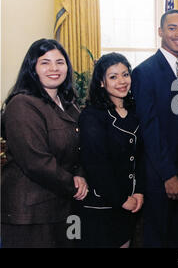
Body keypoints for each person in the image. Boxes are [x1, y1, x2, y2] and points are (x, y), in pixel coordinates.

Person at [0, 38, 88, 248]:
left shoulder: (70, 105)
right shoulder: (21, 104)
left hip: (63, 208)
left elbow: (81, 148)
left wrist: (81, 175)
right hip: (30, 213)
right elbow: (35, 161)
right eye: (45, 62)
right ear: (33, 68)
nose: (54, 68)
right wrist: (74, 184)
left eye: (60, 62)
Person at [131, 9, 178, 247]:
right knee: (157, 239)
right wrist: (169, 175)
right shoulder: (144, 73)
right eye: (172, 28)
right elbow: (150, 129)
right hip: (161, 176)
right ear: (160, 32)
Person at [78, 53, 144, 248]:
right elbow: (96, 165)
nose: (121, 81)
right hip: (102, 206)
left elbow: (141, 157)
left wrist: (139, 192)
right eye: (113, 77)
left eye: (125, 74)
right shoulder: (92, 116)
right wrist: (122, 199)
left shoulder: (135, 112)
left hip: (131, 204)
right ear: (101, 82)